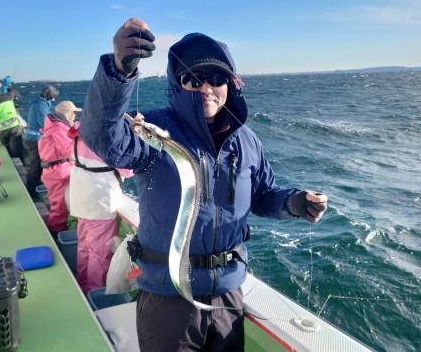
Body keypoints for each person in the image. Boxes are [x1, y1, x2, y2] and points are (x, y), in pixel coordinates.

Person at [79, 18, 328, 352]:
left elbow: (262, 195)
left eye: (217, 78)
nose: (206, 88)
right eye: (193, 79)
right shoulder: (153, 130)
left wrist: (293, 203)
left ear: (232, 83)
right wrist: (119, 71)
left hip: (228, 295)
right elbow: (101, 137)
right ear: (177, 85)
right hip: (167, 299)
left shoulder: (246, 140)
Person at [66, 121, 133, 293]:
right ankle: (94, 291)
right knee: (100, 253)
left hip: (80, 198)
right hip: (100, 202)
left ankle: (83, 286)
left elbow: (70, 154)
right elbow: (127, 171)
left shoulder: (79, 133)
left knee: (84, 246)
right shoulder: (107, 140)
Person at [38, 101, 81, 236]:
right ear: (68, 113)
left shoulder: (56, 126)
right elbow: (70, 150)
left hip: (58, 170)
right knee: (59, 208)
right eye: (74, 112)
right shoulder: (58, 128)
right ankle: (55, 234)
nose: (75, 116)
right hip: (58, 172)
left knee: (60, 205)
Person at [23, 84, 59, 197]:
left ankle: (36, 185)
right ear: (50, 95)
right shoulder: (41, 105)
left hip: (32, 138)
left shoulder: (40, 103)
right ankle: (31, 191)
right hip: (34, 140)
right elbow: (43, 123)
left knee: (37, 164)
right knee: (36, 166)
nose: (54, 98)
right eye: (54, 96)